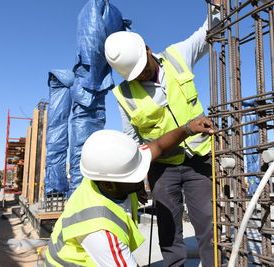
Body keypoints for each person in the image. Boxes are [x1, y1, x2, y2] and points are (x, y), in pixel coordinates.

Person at [104, 2, 220, 266]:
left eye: (142, 68)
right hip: (163, 168)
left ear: (147, 49)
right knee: (169, 232)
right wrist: (137, 180)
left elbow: (206, 33)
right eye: (134, 74)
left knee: (209, 225)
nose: (141, 75)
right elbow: (132, 140)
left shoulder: (177, 56)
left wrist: (217, 10)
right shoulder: (124, 93)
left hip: (199, 160)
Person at [44, 116, 215, 267]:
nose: (141, 177)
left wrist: (188, 128)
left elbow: (159, 146)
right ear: (111, 185)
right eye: (135, 175)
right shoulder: (101, 231)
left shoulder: (109, 170)